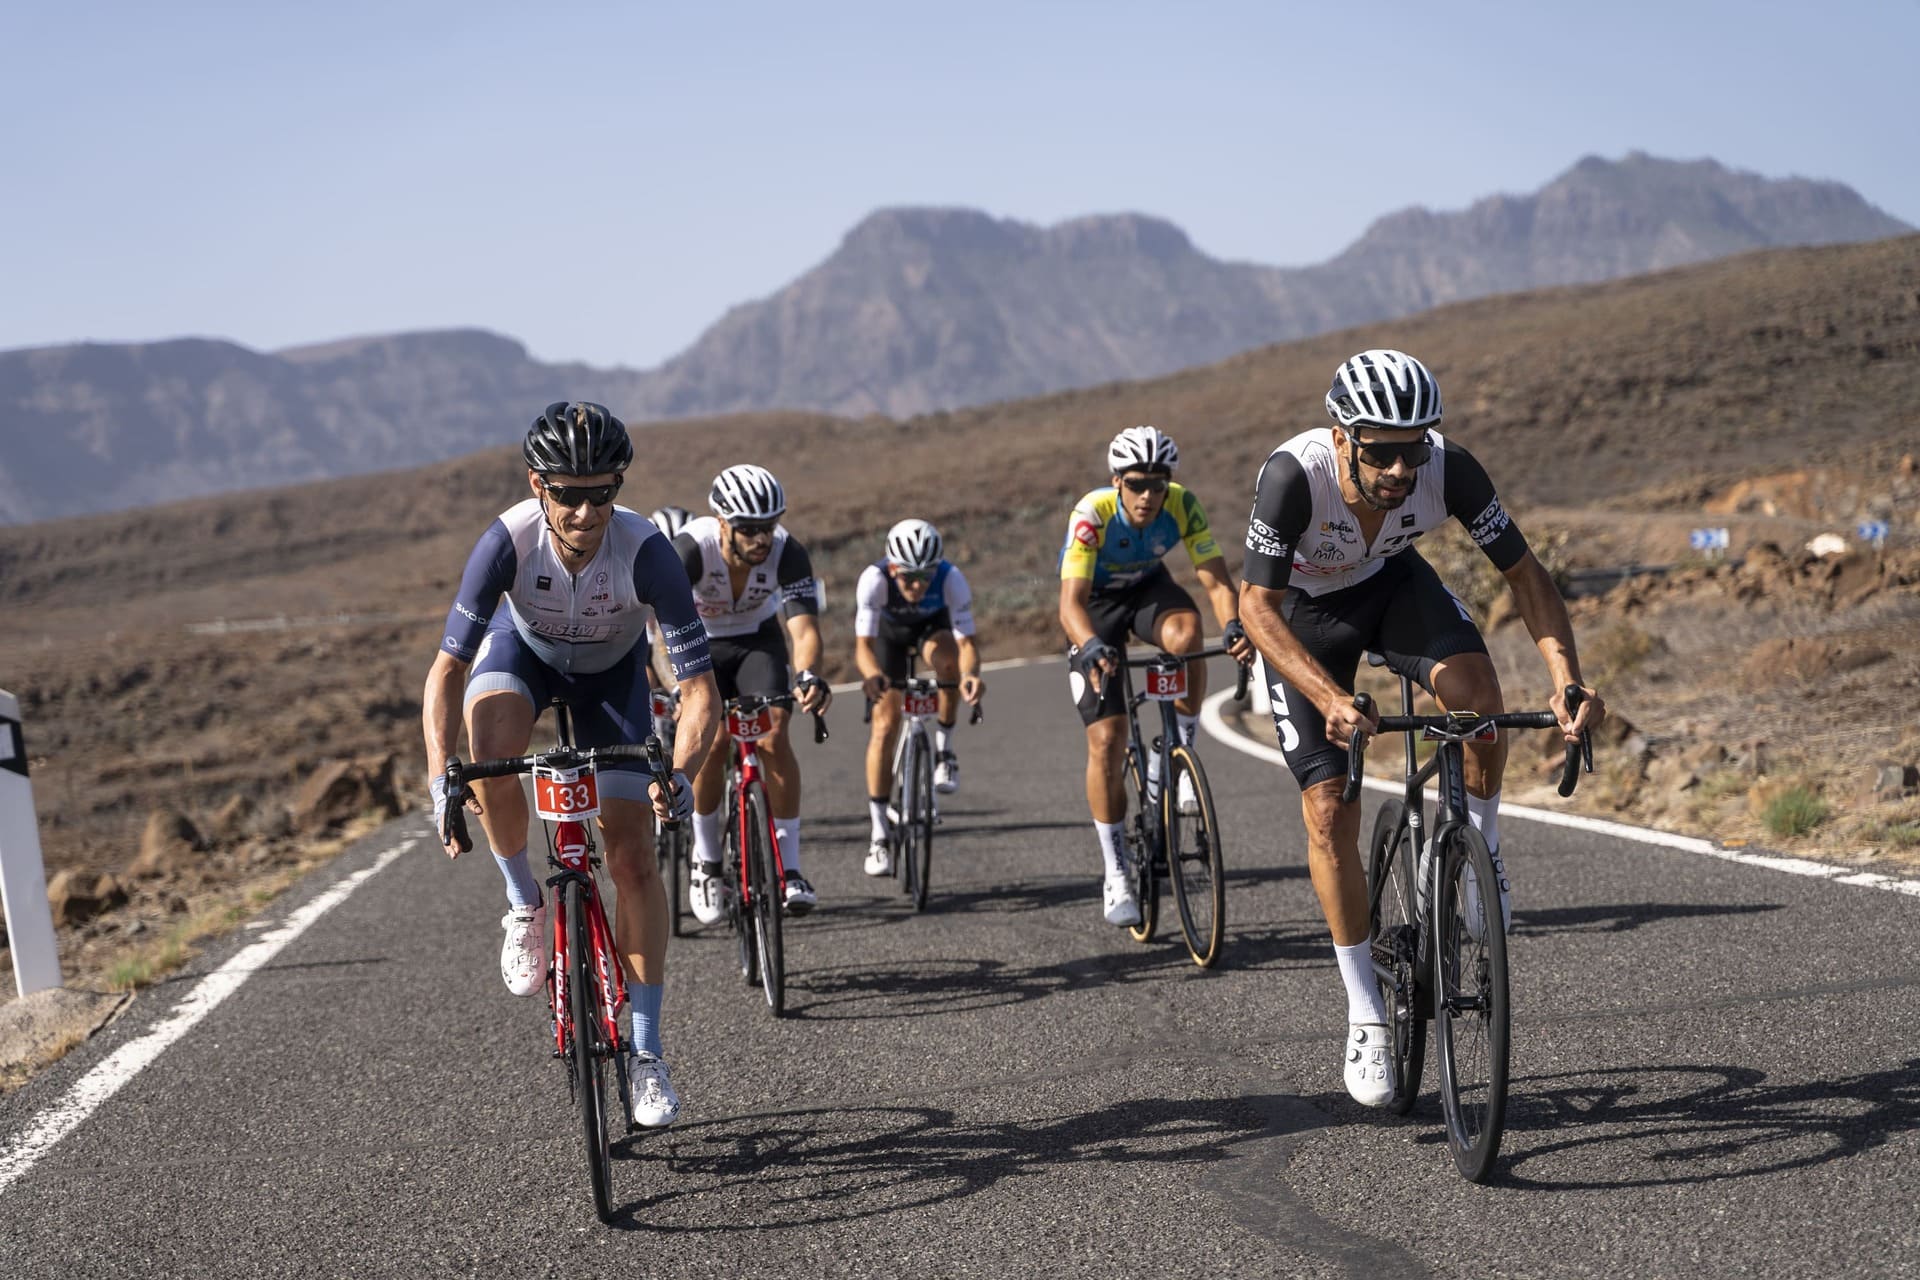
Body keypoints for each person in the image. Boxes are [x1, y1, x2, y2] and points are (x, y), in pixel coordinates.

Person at [1236, 348, 1605, 1108]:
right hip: (1304, 618)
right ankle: (1366, 1011)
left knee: (1479, 702)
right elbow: (1255, 608)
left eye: (1414, 448)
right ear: (1343, 439)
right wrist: (1329, 698)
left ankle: (1482, 848)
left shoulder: (1450, 468)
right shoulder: (1293, 477)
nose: (1402, 469)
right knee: (1328, 806)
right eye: (1381, 453)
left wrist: (1566, 679)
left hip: (1393, 586)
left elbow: (1526, 576)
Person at [423, 401, 719, 1128]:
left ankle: (646, 1053)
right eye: (567, 494)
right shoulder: (506, 542)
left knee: (633, 859)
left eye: (602, 492)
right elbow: (447, 670)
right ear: (537, 485)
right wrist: (439, 774)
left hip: (612, 678)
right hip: (523, 656)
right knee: (491, 746)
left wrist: (679, 775)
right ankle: (524, 902)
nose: (586, 512)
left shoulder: (646, 551)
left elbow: (700, 692)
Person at [1059, 426, 1255, 927]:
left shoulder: (1182, 505)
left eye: (1157, 484)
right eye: (1137, 484)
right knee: (1107, 741)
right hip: (1095, 608)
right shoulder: (1092, 514)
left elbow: (1216, 581)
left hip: (1149, 591)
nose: (1148, 495)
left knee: (1187, 636)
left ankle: (1177, 751)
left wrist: (1233, 625)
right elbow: (1070, 605)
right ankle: (1116, 871)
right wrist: (1091, 645)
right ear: (1117, 482)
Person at [673, 464, 832, 921]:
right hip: (698, 642)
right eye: (748, 529)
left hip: (757, 641)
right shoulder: (690, 549)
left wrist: (809, 674)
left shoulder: (788, 552)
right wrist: (676, 686)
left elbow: (804, 628)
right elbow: (658, 628)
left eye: (769, 526)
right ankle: (706, 862)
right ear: (722, 523)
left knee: (773, 735)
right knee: (713, 739)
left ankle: (790, 869)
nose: (761, 538)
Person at [853, 519, 985, 873]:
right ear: (892, 568)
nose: (916, 585)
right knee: (885, 725)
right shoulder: (874, 580)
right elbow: (863, 648)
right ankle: (879, 834)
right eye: (908, 577)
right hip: (889, 637)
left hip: (931, 629)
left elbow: (967, 645)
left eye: (925, 576)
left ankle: (945, 751)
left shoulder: (951, 579)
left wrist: (970, 676)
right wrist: (873, 676)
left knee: (948, 664)